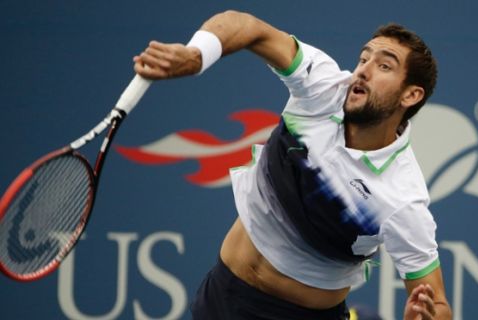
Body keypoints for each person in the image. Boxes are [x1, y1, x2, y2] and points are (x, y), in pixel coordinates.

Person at [133, 10, 452, 320]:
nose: (363, 70)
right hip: (223, 293)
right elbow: (247, 26)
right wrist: (197, 55)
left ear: (410, 95)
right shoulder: (324, 89)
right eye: (363, 58)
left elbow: (436, 304)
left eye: (384, 66)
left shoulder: (402, 198)